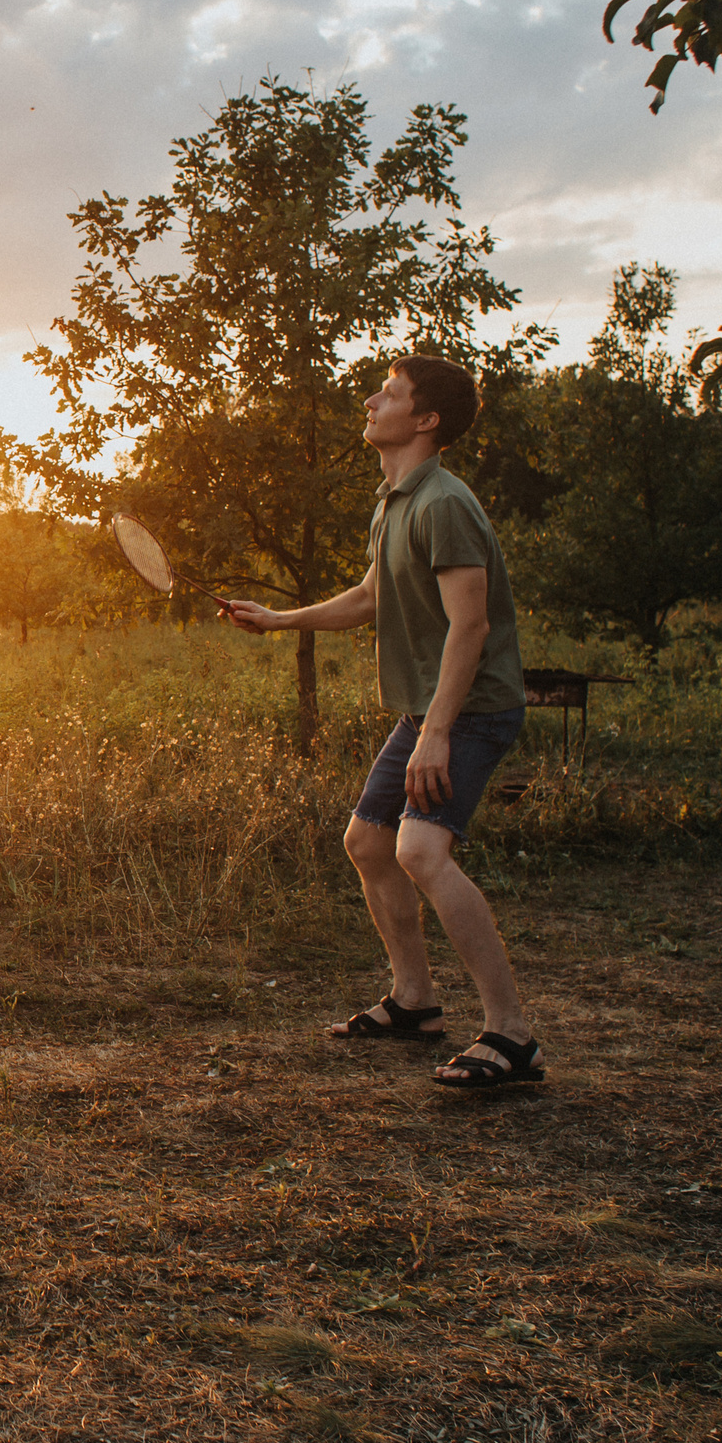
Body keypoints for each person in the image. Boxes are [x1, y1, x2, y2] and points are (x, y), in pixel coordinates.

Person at [220, 357, 545, 1088]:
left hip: (471, 709)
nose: (372, 399)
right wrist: (279, 620)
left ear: (426, 420)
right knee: (368, 841)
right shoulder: (396, 499)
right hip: (428, 709)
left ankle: (512, 1036)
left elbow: (471, 625)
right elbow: (371, 595)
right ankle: (415, 1001)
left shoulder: (444, 503)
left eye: (391, 393)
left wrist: (435, 732)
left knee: (421, 851)